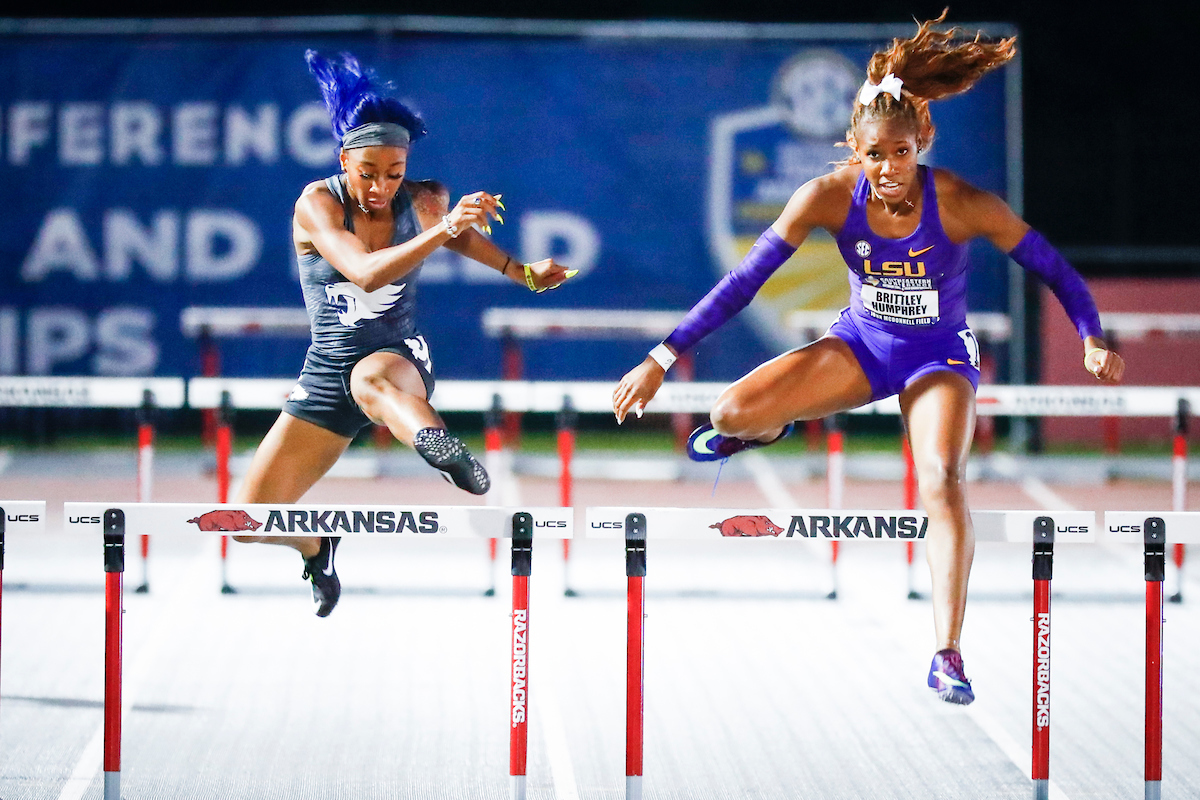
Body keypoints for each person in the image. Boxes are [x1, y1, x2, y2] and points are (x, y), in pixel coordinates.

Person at [612, 13, 1125, 705]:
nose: (889, 169)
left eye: (902, 153)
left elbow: (1054, 268)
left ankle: (947, 652)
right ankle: (771, 425)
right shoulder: (824, 197)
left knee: (942, 477)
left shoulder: (965, 204)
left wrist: (1091, 333)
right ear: (854, 148)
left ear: (923, 144)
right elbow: (742, 284)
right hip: (861, 348)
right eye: (875, 154)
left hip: (938, 357)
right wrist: (662, 356)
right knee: (729, 412)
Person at [232, 50, 574, 617]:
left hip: (396, 357)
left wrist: (525, 273)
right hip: (325, 372)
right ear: (344, 160)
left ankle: (442, 449)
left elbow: (462, 239)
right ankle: (317, 547)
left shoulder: (424, 199)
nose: (380, 188)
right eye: (368, 174)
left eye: (393, 174)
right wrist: (444, 227)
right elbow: (366, 270)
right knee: (245, 522)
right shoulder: (317, 204)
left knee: (372, 381)